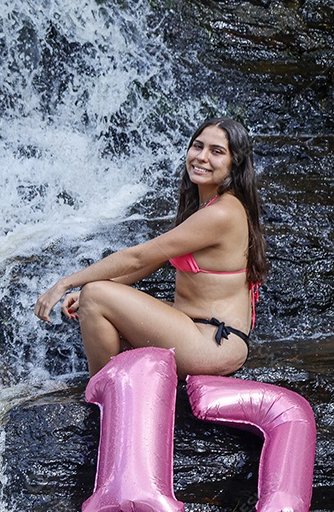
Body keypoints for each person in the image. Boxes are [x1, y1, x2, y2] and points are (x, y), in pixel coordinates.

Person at [34, 117, 268, 377]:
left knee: (97, 295)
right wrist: (99, 290)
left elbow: (138, 257)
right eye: (197, 146)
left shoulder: (222, 213)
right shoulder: (207, 206)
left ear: (235, 163)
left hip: (213, 342)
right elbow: (152, 262)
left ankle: (99, 393)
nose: (201, 157)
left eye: (216, 152)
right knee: (99, 309)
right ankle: (113, 393)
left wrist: (65, 284)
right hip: (194, 328)